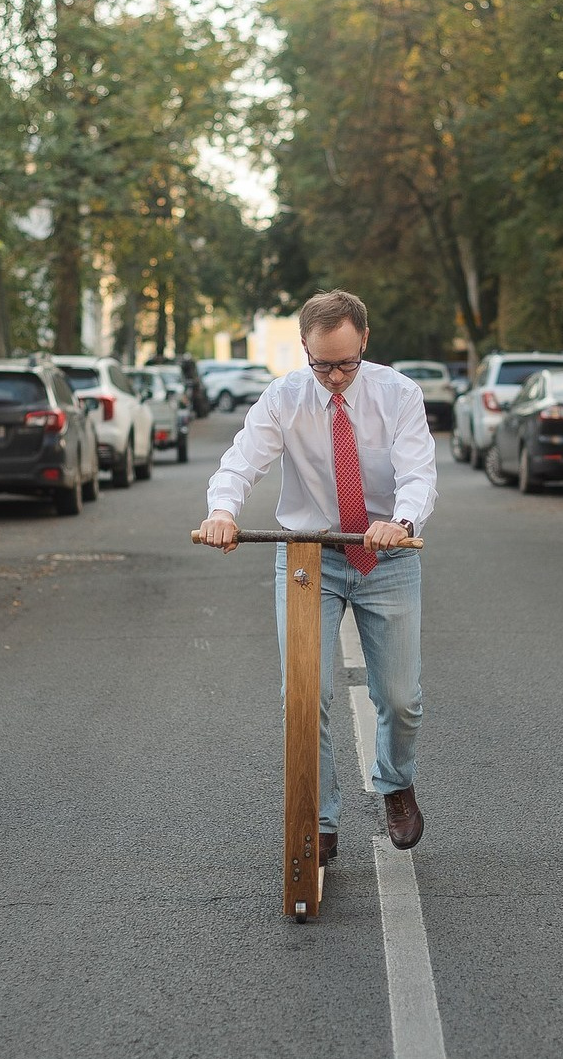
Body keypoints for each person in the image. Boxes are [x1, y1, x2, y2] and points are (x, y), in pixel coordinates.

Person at [196, 289, 438, 859]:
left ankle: (396, 782)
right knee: (306, 693)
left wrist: (400, 521)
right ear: (303, 346)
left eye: (346, 363)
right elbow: (241, 461)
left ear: (365, 343)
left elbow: (418, 473)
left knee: (399, 697)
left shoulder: (399, 395)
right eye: (321, 363)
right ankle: (318, 816)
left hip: (388, 555)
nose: (334, 376)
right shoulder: (284, 398)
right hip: (309, 555)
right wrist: (222, 512)